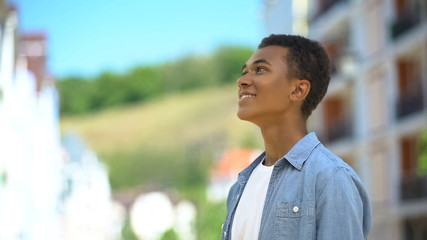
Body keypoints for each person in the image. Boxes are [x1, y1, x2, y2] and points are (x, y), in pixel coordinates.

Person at [221, 34, 372, 240]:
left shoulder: (331, 179)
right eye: (244, 72)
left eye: (261, 69)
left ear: (298, 90)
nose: (242, 81)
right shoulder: (238, 187)